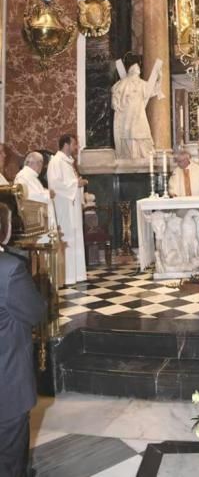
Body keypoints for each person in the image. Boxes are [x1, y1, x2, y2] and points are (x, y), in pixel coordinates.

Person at [0, 202, 46, 477]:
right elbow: (35, 311)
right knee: (10, 461)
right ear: (4, 232)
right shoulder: (9, 269)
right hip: (6, 385)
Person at [47, 134, 87, 285]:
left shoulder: (67, 162)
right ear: (66, 145)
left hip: (72, 206)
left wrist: (78, 184)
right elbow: (55, 184)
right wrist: (76, 184)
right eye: (74, 144)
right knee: (68, 237)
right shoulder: (56, 162)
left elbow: (70, 182)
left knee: (75, 237)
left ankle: (77, 274)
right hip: (64, 207)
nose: (76, 147)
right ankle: (68, 276)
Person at [111, 59, 164, 160]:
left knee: (142, 130)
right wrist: (115, 103)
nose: (136, 71)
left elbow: (153, 91)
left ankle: (143, 152)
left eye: (138, 70)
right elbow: (115, 92)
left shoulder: (141, 83)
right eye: (134, 69)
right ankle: (131, 153)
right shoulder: (124, 82)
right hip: (128, 111)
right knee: (129, 131)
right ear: (130, 72)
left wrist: (160, 78)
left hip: (139, 111)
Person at [14, 152, 56, 225]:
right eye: (40, 162)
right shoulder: (23, 176)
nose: (41, 166)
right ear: (32, 162)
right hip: (34, 220)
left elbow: (36, 192)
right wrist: (48, 194)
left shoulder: (30, 176)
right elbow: (29, 195)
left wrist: (45, 191)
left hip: (39, 218)